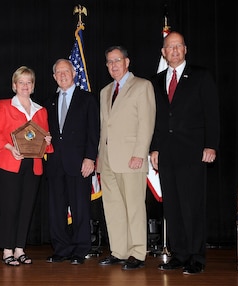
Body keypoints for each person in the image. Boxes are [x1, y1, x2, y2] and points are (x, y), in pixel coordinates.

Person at [150, 31, 220, 274]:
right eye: (170, 47)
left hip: (193, 152)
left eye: (179, 45)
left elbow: (212, 113)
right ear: (163, 52)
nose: (175, 50)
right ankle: (178, 254)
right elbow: (156, 118)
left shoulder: (201, 76)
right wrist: (154, 147)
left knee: (192, 206)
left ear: (185, 49)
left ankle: (196, 257)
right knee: (173, 207)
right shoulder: (156, 80)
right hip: (166, 154)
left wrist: (211, 144)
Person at [0, 66, 53, 266]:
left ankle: (20, 248)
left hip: (33, 165)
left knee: (26, 208)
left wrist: (47, 141)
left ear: (33, 86)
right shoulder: (3, 106)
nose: (25, 85)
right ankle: (7, 250)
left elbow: (45, 138)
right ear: (14, 85)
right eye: (21, 82)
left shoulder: (41, 111)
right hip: (8, 163)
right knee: (9, 207)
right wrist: (8, 147)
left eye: (28, 82)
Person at [96, 46, 156, 270]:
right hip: (109, 159)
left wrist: (140, 154)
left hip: (132, 158)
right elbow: (105, 128)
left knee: (134, 207)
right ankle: (119, 251)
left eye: (117, 60)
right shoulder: (105, 92)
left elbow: (146, 123)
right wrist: (101, 158)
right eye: (109, 62)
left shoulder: (142, 86)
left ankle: (137, 253)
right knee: (113, 208)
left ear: (127, 61)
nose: (113, 65)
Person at [44, 59, 100, 265]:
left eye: (65, 71)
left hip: (79, 163)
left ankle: (80, 249)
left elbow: (94, 132)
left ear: (74, 73)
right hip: (55, 163)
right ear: (54, 77)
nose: (62, 75)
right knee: (56, 208)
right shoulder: (48, 101)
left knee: (80, 208)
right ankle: (61, 249)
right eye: (58, 72)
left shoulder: (88, 99)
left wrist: (90, 158)